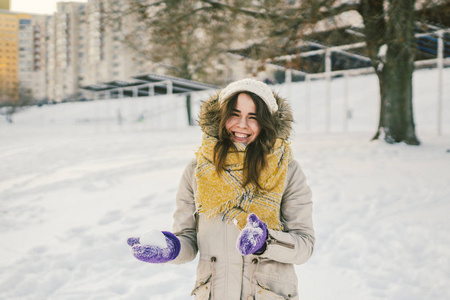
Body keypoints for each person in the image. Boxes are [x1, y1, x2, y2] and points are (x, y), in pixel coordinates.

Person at [127, 78, 315, 299]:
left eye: (253, 117)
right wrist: (172, 248)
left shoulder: (287, 171)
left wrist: (266, 241)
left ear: (266, 123)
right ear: (220, 117)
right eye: (234, 114)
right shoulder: (197, 170)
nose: (242, 125)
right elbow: (188, 238)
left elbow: (304, 246)